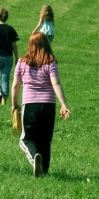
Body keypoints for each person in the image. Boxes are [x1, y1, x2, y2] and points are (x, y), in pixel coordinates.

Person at [11, 32, 70, 177]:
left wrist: (14, 105)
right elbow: (56, 83)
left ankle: (34, 157)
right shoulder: (51, 62)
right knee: (45, 140)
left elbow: (15, 86)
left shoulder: (21, 62)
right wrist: (63, 104)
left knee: (26, 139)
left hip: (30, 104)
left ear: (30, 45)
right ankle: (44, 170)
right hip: (48, 105)